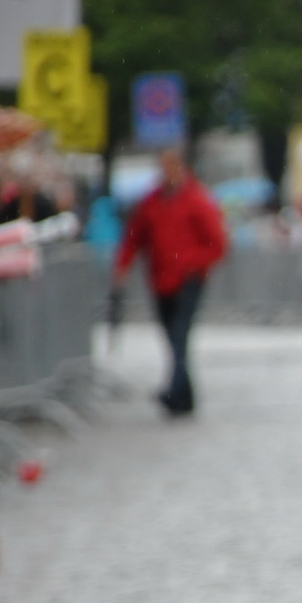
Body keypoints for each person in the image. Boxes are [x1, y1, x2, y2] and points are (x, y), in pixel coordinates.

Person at [112, 148, 227, 416]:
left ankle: (174, 391)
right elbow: (135, 237)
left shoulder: (197, 200)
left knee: (179, 335)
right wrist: (122, 267)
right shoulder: (152, 202)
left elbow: (217, 243)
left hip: (187, 280)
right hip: (160, 279)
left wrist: (192, 264)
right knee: (172, 338)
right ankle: (184, 395)